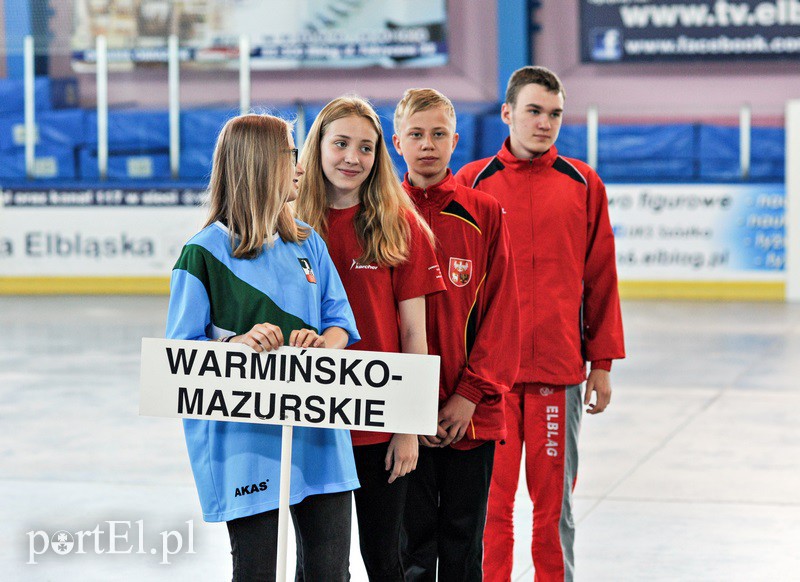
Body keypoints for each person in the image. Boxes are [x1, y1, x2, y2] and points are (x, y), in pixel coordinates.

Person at [165, 113, 361, 581]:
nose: (300, 167)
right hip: (244, 441)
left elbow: (341, 324)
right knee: (256, 570)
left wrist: (324, 347)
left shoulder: (308, 241)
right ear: (259, 163)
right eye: (292, 155)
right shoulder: (203, 254)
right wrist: (236, 343)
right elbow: (179, 361)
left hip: (318, 430)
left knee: (330, 570)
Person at [455, 66, 626, 582]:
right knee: (491, 504)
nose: (544, 123)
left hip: (558, 371)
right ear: (507, 113)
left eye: (554, 113)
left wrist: (603, 363)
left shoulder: (582, 183)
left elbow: (600, 277)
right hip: (491, 379)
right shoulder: (472, 183)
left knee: (554, 509)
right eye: (533, 111)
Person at [294, 95, 446, 581]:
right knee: (317, 563)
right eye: (341, 144)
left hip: (379, 422)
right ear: (317, 148)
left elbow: (413, 333)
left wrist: (407, 425)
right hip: (312, 422)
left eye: (366, 148)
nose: (352, 159)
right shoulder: (289, 225)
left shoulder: (398, 225)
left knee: (384, 559)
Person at [391, 88, 520, 582]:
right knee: (411, 548)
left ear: (456, 140)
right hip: (401, 415)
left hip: (472, 413)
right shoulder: (382, 213)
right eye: (417, 134)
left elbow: (504, 312)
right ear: (397, 142)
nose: (428, 144)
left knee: (465, 544)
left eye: (438, 134)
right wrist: (408, 402)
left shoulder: (484, 213)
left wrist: (468, 395)